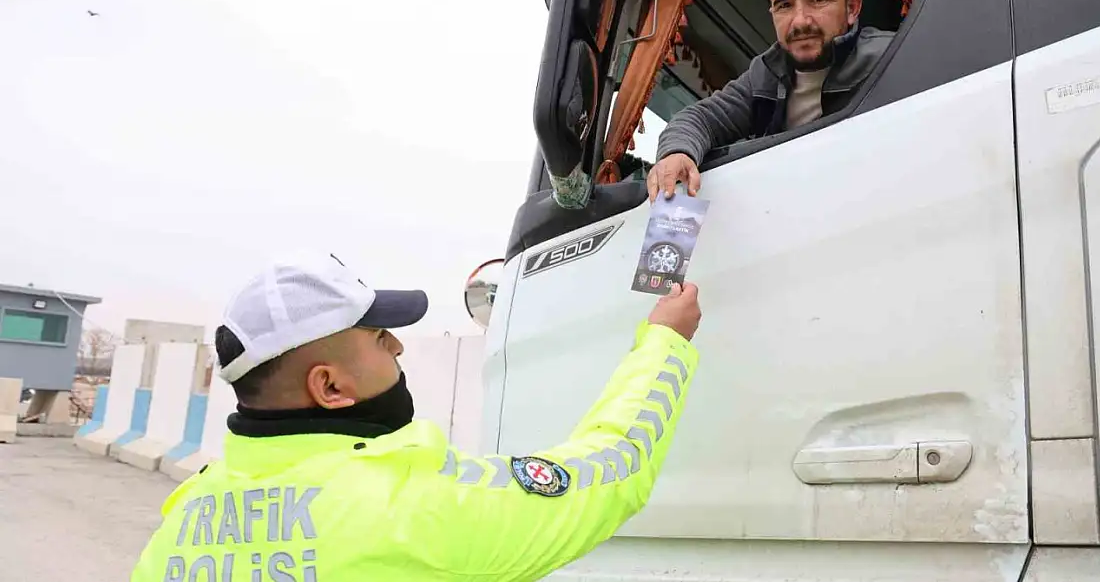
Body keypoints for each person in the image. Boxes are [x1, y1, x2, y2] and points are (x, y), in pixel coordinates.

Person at [130, 251, 704, 581]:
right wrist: (664, 341)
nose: (399, 349)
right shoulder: (414, 509)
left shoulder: (181, 526)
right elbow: (612, 469)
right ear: (329, 386)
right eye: (381, 338)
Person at [648, 0, 895, 202]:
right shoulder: (764, 75)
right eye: (784, 5)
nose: (800, 21)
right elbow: (701, 119)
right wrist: (677, 152)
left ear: (852, 8)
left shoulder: (894, 56)